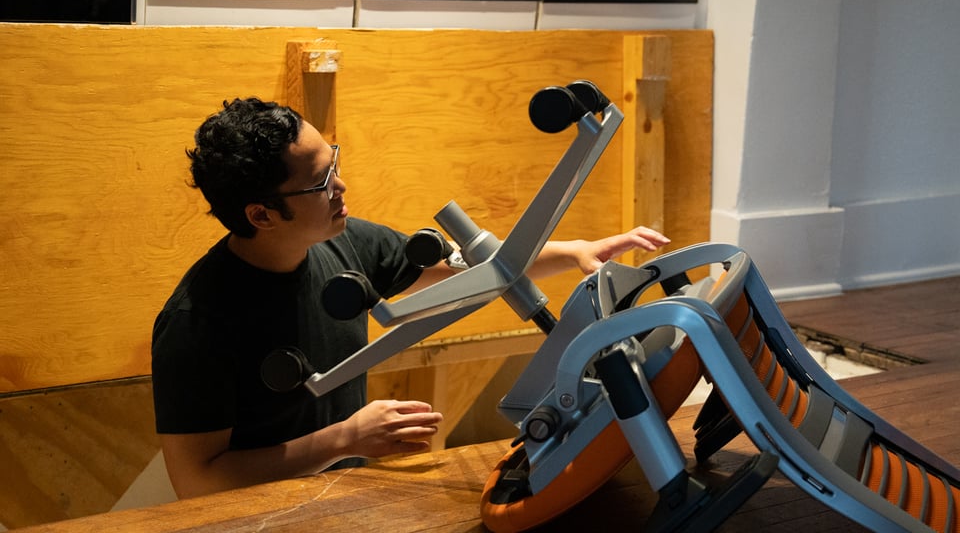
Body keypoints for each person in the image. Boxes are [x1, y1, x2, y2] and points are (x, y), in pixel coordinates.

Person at [152, 97, 670, 499]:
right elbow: (199, 482)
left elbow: (470, 269)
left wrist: (578, 249)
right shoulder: (198, 322)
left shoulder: (345, 241)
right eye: (321, 183)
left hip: (343, 497)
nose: (342, 185)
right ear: (260, 215)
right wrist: (345, 439)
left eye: (334, 162)